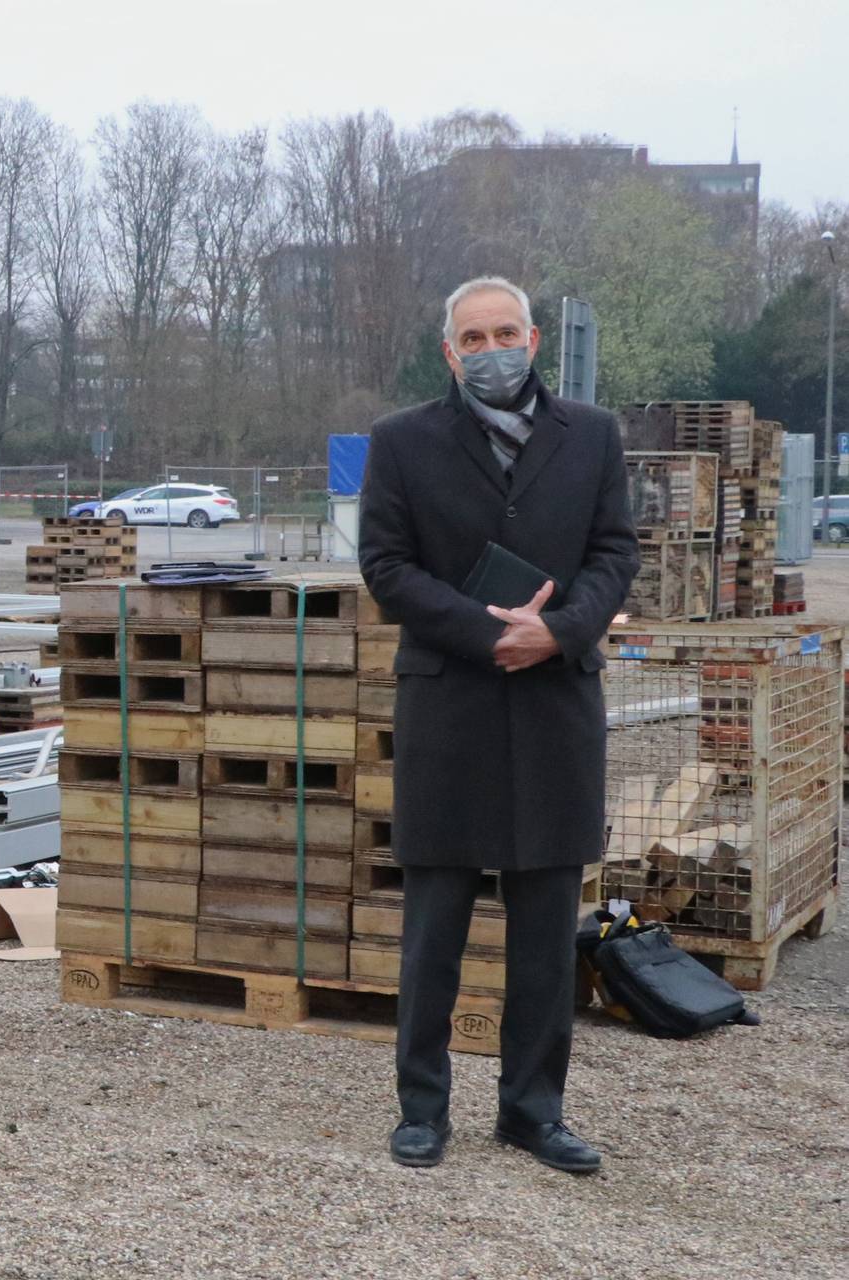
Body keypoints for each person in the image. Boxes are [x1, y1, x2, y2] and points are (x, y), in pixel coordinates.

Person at [358, 276, 638, 1176]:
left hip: (557, 705)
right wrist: (492, 634)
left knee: (547, 926)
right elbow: (387, 567)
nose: (491, 350)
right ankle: (422, 1107)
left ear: (536, 337)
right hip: (451, 703)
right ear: (450, 352)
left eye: (505, 332)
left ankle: (532, 1110)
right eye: (472, 338)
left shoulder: (591, 436)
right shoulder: (403, 441)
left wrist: (557, 631)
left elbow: (614, 552)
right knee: (434, 922)